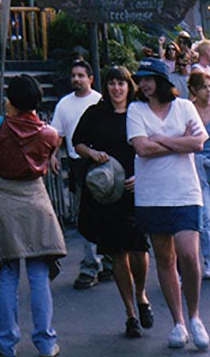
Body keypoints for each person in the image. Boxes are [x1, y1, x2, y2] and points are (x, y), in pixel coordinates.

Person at [0, 74, 65, 357]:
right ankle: (46, 342)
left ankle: (7, 343)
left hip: (4, 198)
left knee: (8, 274)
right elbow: (52, 146)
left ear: (12, 101)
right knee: (38, 274)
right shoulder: (48, 134)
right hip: (35, 198)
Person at [127, 55, 209, 351]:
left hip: (185, 192)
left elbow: (199, 142)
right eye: (141, 80)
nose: (144, 84)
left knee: (189, 254)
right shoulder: (136, 110)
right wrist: (178, 142)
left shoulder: (184, 106)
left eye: (149, 79)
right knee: (165, 258)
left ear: (162, 80)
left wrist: (159, 140)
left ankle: (196, 316)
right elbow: (141, 148)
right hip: (152, 195)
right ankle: (178, 322)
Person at [72, 65, 153, 338]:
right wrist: (93, 154)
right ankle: (130, 313)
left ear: (129, 86)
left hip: (135, 190)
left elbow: (152, 147)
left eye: (121, 83)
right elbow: (78, 142)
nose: (116, 88)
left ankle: (141, 296)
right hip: (107, 193)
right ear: (105, 86)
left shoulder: (139, 112)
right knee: (117, 251)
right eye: (112, 83)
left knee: (139, 249)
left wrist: (142, 175)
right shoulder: (96, 113)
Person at [50, 57, 111, 288]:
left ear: (91, 79)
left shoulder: (100, 101)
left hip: (103, 162)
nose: (76, 79)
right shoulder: (64, 104)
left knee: (106, 214)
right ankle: (90, 265)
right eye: (73, 75)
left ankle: (108, 260)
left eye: (81, 75)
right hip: (78, 164)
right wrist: (52, 155)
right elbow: (58, 134)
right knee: (86, 216)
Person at [188, 71, 210, 280]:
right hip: (197, 166)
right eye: (204, 86)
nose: (209, 90)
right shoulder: (188, 110)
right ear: (194, 90)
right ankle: (209, 260)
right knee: (205, 216)